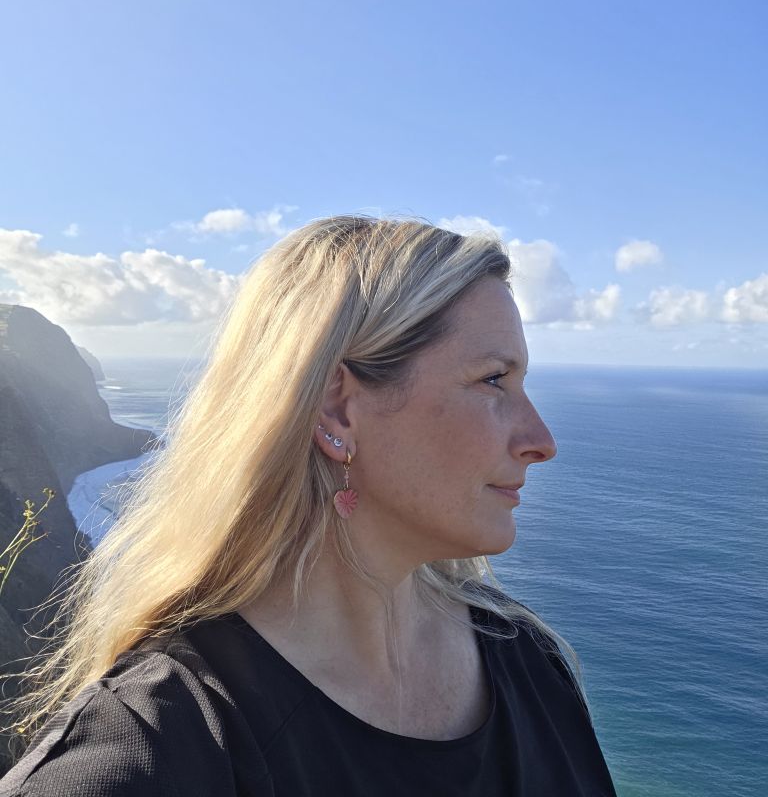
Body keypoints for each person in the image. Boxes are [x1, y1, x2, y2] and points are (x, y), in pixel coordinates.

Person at [0, 214, 617, 795]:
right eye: (493, 380)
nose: (542, 441)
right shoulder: (150, 748)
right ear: (336, 409)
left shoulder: (525, 655)